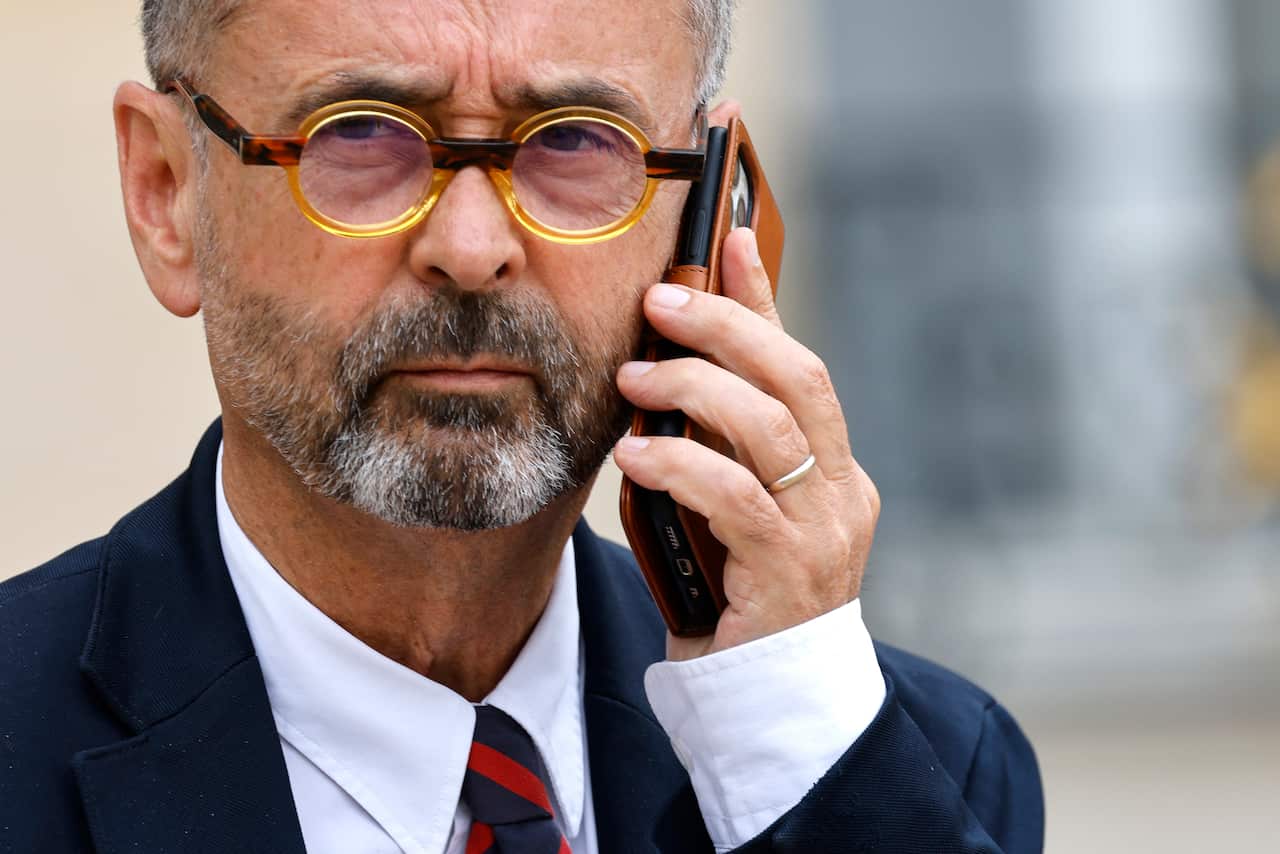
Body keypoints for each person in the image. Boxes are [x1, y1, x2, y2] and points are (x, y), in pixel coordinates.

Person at [0, 1, 1044, 851]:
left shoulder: (887, 764)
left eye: (578, 141)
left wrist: (795, 757)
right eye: (360, 132)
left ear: (709, 211)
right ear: (164, 190)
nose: (469, 244)